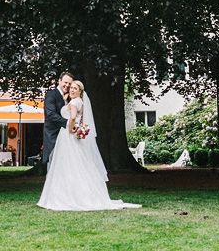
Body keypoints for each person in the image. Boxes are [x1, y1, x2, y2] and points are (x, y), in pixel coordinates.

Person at [38, 80, 141, 211]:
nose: (72, 90)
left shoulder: (75, 102)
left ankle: (67, 196)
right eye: (71, 88)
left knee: (67, 164)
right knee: (77, 164)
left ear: (80, 91)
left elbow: (73, 117)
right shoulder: (79, 101)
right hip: (70, 137)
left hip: (67, 136)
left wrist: (70, 128)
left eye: (75, 88)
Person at [37, 71, 73, 175]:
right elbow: (51, 114)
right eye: (65, 82)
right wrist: (68, 123)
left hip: (65, 136)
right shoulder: (51, 95)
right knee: (53, 165)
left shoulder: (67, 97)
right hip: (53, 136)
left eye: (69, 84)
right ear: (59, 81)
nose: (67, 85)